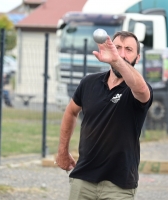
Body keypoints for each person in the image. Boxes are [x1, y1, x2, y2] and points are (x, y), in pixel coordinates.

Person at [55, 31, 153, 199]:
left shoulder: (138, 89)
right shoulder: (89, 83)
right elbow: (71, 111)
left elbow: (141, 89)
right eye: (117, 48)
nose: (122, 53)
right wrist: (62, 151)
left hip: (118, 185)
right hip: (83, 178)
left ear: (137, 58)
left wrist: (117, 61)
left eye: (128, 49)